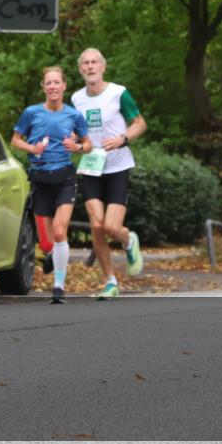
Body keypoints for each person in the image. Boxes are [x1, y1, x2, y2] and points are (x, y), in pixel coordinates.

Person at [71, 48, 147, 300]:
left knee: (112, 227)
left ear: (103, 67)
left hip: (117, 166)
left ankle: (128, 240)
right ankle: (110, 281)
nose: (90, 67)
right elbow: (76, 132)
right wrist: (72, 142)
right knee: (96, 225)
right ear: (81, 69)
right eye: (86, 63)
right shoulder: (76, 99)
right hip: (91, 167)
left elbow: (140, 124)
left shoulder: (118, 93)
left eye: (94, 62)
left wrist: (123, 139)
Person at [11, 66, 91, 304]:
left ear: (64, 86)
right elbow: (15, 140)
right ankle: (51, 255)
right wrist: (32, 148)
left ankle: (58, 286)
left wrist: (76, 147)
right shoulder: (31, 112)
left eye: (57, 82)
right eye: (49, 83)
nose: (53, 86)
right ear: (43, 87)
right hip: (40, 178)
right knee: (46, 242)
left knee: (59, 232)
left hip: (65, 178)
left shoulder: (74, 115)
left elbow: (88, 144)